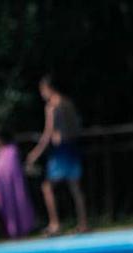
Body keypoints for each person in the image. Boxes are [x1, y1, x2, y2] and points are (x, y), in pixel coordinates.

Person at [26, 75, 88, 235]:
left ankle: (55, 224)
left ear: (48, 89)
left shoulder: (52, 107)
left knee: (47, 187)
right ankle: (83, 223)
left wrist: (35, 153)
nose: (42, 94)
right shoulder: (68, 103)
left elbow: (48, 134)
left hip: (60, 151)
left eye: (42, 90)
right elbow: (77, 127)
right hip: (72, 147)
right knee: (75, 187)